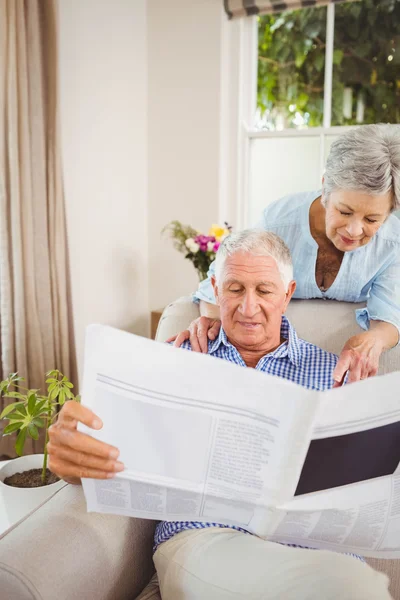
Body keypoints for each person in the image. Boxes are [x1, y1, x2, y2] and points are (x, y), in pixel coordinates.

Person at [47, 230, 392, 599]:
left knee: (352, 583)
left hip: (318, 550)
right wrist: (70, 456)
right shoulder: (176, 359)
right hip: (206, 540)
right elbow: (102, 447)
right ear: (214, 288)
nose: (247, 307)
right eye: (234, 289)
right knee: (351, 587)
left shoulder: (336, 375)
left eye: (264, 290)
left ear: (287, 293)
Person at [171, 124, 400, 387]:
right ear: (325, 189)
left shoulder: (394, 241)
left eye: (372, 219)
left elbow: (391, 312)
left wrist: (376, 339)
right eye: (345, 212)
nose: (354, 230)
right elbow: (224, 280)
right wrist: (212, 318)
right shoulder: (278, 221)